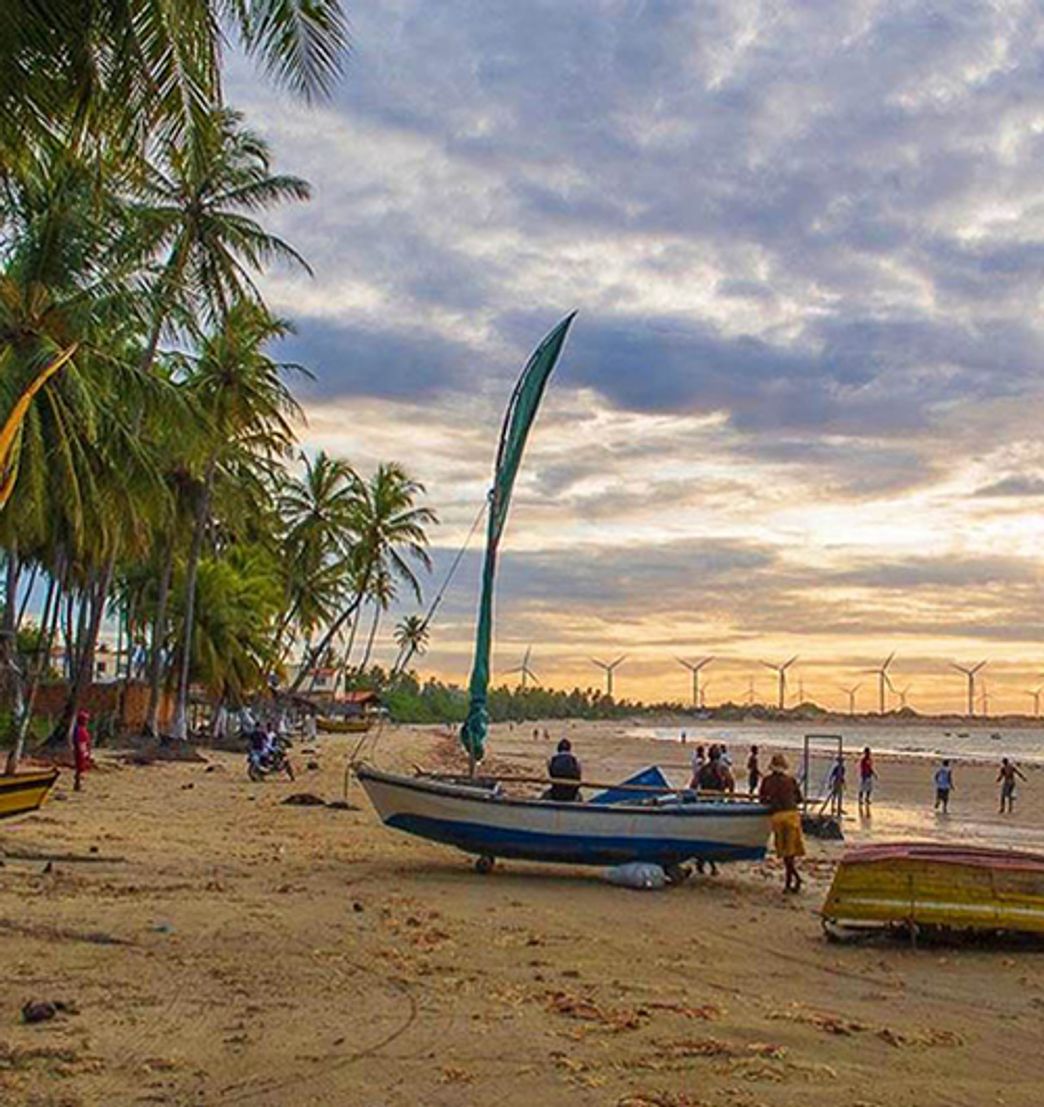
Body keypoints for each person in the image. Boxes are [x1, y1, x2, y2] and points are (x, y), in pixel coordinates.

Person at [759, 753, 805, 893]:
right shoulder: (790, 780)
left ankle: (791, 881)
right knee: (790, 853)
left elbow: (762, 799)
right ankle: (792, 880)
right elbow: (799, 799)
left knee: (785, 853)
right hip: (792, 815)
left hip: (778, 816)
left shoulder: (767, 781)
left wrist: (773, 800)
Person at [73, 710, 92, 792]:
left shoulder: (80, 729)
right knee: (80, 768)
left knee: (80, 768)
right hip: (80, 751)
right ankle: (78, 784)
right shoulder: (80, 730)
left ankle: (78, 784)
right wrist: (85, 752)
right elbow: (81, 742)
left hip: (81, 750)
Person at [857, 747, 877, 812]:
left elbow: (870, 767)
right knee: (862, 788)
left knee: (869, 789)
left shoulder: (870, 759)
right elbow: (862, 768)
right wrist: (863, 775)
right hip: (864, 776)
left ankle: (867, 799)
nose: (868, 753)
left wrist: (874, 774)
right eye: (867, 752)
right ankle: (860, 799)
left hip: (869, 775)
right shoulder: (863, 760)